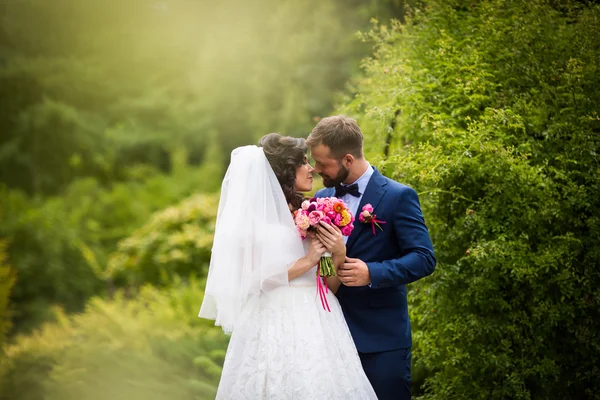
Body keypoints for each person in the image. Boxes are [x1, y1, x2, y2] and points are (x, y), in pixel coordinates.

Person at [199, 133, 377, 399]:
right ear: (284, 171)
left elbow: (328, 281)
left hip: (320, 316)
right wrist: (306, 261)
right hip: (273, 317)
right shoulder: (253, 223)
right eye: (303, 163)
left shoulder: (309, 212)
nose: (311, 169)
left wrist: (336, 253)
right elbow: (251, 279)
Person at [308, 116, 436, 400]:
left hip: (382, 341)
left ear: (348, 160)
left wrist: (372, 273)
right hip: (333, 335)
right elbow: (324, 260)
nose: (316, 170)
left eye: (323, 163)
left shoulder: (398, 196)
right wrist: (334, 262)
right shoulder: (321, 198)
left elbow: (424, 257)